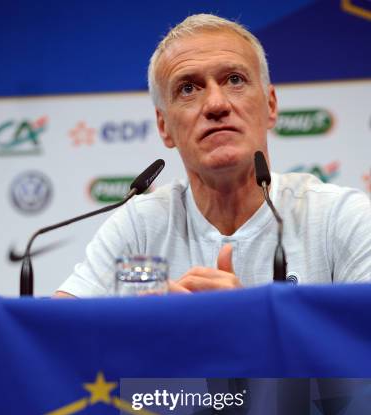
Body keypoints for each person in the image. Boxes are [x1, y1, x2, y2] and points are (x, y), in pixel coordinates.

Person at [56, 13, 371, 298]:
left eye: (234, 80)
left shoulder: (338, 219)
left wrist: (246, 323)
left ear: (271, 105)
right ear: (164, 126)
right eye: (189, 89)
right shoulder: (141, 226)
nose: (216, 104)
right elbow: (57, 330)